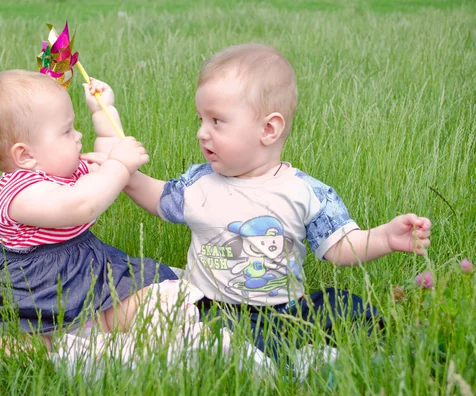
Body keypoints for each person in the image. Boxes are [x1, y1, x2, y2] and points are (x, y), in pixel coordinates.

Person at [81, 43, 432, 359]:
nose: (202, 132)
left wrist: (385, 238)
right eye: (201, 119)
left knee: (341, 306)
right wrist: (119, 162)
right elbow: (153, 194)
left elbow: (340, 247)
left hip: (286, 308)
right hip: (211, 307)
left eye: (217, 121)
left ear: (268, 129)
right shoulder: (201, 184)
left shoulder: (304, 192)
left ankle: (400, 355)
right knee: (184, 324)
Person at [0, 69, 178, 367]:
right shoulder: (19, 192)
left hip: (90, 275)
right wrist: (118, 166)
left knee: (160, 299)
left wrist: (104, 111)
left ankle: (93, 324)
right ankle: (47, 342)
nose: (78, 136)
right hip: (31, 296)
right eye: (67, 131)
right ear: (25, 155)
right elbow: (84, 204)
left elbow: (107, 159)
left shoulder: (68, 171)